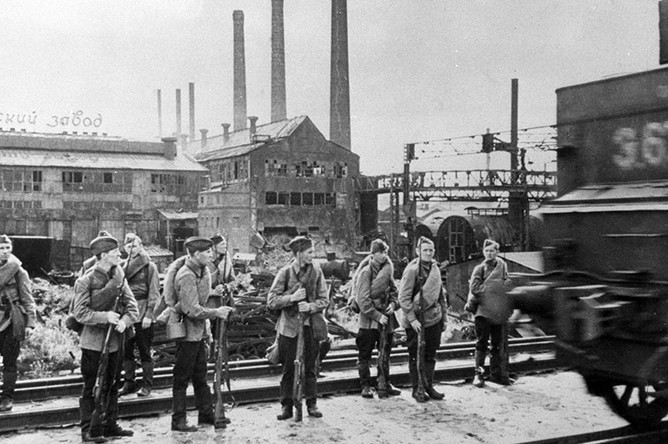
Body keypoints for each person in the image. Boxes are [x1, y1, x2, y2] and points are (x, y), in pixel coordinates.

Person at [72, 232, 139, 442]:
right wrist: (105, 316)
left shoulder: (119, 278)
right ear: (102, 255)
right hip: (93, 343)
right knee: (91, 386)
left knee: (112, 384)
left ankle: (110, 425)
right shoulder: (85, 281)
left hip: (114, 343)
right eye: (114, 252)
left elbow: (133, 307)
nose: (119, 255)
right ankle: (88, 429)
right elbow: (80, 313)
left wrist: (125, 321)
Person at [171, 237, 234, 432]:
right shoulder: (186, 275)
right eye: (207, 252)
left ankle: (206, 414)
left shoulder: (202, 271)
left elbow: (204, 297)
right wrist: (216, 312)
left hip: (198, 333)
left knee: (200, 374)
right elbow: (192, 310)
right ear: (196, 254)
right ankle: (178, 420)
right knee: (182, 377)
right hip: (186, 333)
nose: (211, 254)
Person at [267, 235, 328, 420]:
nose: (312, 255)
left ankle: (311, 404)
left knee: (310, 368)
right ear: (298, 253)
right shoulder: (285, 273)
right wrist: (291, 298)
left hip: (310, 327)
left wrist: (311, 306)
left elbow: (324, 299)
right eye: (309, 252)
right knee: (288, 369)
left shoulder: (316, 272)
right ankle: (286, 406)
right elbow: (271, 301)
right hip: (289, 329)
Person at [398, 236, 447, 402]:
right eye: (425, 250)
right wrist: (412, 320)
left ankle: (428, 386)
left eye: (431, 250)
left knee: (430, 355)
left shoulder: (435, 269)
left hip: (433, 319)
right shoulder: (412, 270)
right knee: (415, 355)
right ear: (418, 251)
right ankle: (416, 389)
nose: (428, 253)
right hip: (416, 321)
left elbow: (441, 296)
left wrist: (444, 318)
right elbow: (403, 298)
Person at [354, 239, 401, 398]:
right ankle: (365, 385)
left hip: (386, 321)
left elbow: (395, 292)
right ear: (372, 254)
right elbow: (363, 300)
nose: (384, 255)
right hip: (369, 322)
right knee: (365, 355)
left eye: (385, 252)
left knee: (385, 353)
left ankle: (384, 382)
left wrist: (393, 305)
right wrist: (377, 316)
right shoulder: (366, 272)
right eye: (380, 252)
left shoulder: (387, 272)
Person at [465, 239, 513, 387]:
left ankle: (496, 374)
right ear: (483, 252)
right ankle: (478, 374)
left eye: (492, 250)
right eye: (486, 251)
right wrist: (495, 288)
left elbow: (507, 282)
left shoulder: (502, 266)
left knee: (497, 344)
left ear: (497, 252)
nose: (489, 253)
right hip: (483, 311)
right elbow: (475, 288)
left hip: (498, 311)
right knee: (482, 343)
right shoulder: (479, 269)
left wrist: (505, 285)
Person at [118, 234, 159, 398]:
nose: (131, 250)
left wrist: (149, 314)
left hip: (143, 314)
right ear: (124, 248)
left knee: (144, 350)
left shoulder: (149, 267)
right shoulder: (121, 267)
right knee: (126, 350)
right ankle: (129, 382)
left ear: (140, 247)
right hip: (127, 314)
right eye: (128, 247)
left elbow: (154, 292)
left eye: (134, 246)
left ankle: (147, 385)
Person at [0, 235, 36, 413]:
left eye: (8, 248)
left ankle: (7, 398)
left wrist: (30, 323)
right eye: (1, 248)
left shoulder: (19, 271)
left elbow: (28, 298)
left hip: (11, 320)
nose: (5, 252)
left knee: (9, 361)